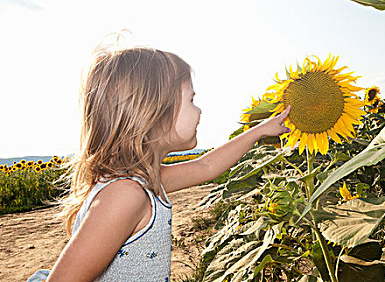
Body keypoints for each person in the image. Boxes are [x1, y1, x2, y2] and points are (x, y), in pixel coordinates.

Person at [27, 44, 290, 281]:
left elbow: (206, 167)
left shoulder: (146, 180)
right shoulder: (125, 195)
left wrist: (259, 131)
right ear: (155, 113)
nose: (199, 110)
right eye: (191, 100)